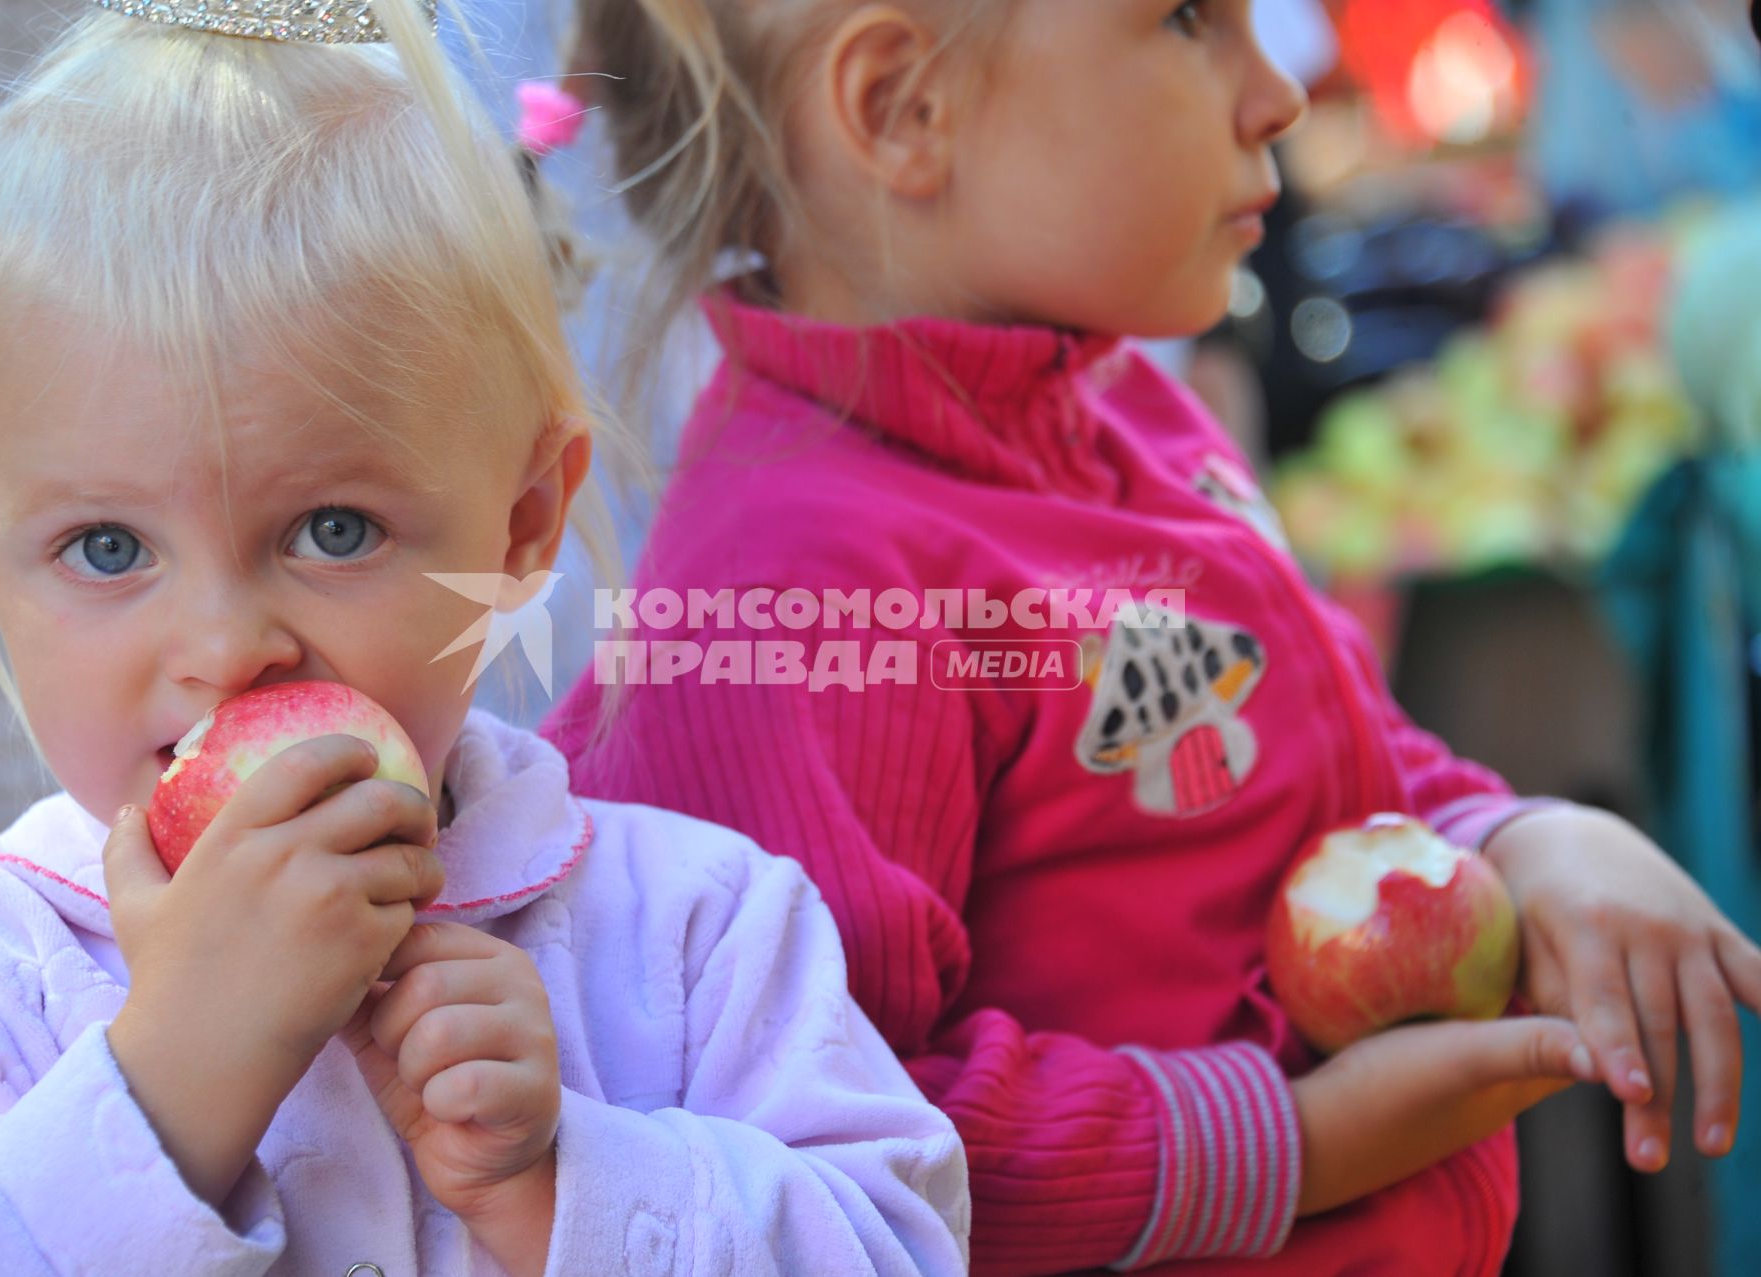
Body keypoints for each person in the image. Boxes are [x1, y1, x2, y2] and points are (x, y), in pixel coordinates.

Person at [544, 1, 1761, 1271]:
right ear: (902, 111)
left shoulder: (1124, 416)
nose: (1277, 92)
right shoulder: (795, 585)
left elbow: (1319, 756)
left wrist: (1517, 836)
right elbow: (794, 1133)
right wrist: (1291, 1141)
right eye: (1190, 19)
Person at [0, 3, 970, 1272]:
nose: (226, 646)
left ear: (524, 518)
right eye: (108, 547)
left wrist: (561, 1178)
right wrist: (166, 1086)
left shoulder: (700, 933)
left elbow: (902, 1243)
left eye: (331, 528)